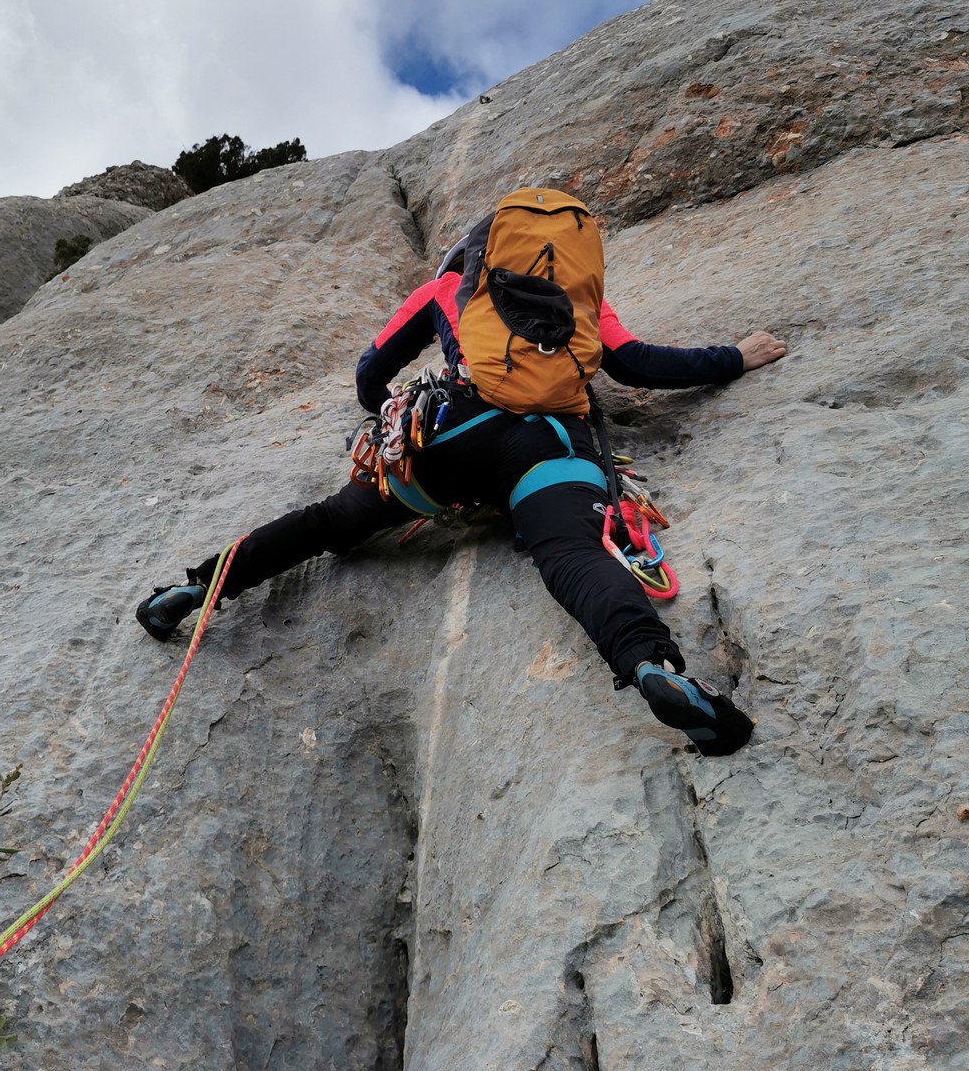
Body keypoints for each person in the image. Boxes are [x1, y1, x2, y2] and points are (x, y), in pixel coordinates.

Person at [137, 216, 786, 757]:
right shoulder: (579, 296)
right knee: (572, 553)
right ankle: (650, 667)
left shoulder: (446, 288)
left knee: (330, 521)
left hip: (449, 436)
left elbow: (369, 375)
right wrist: (735, 356)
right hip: (549, 444)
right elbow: (637, 363)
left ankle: (198, 586)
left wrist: (389, 409)